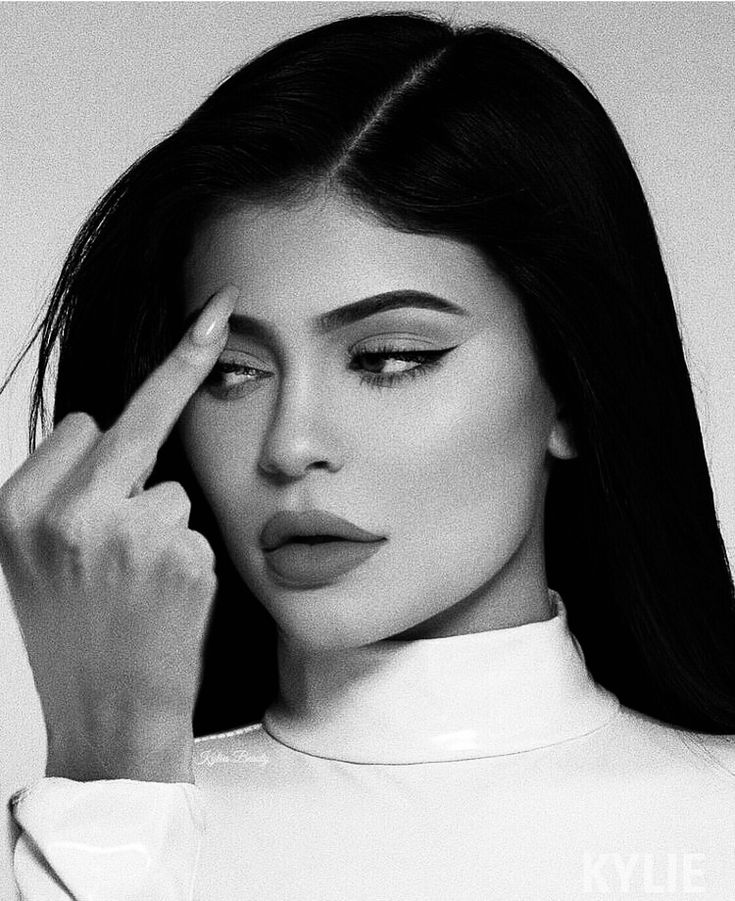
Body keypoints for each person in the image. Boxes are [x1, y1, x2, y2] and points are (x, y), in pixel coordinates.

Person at [1, 9, 734, 900]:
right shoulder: (71, 837)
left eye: (392, 358)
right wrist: (107, 791)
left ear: (574, 389)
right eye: (233, 371)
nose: (290, 444)